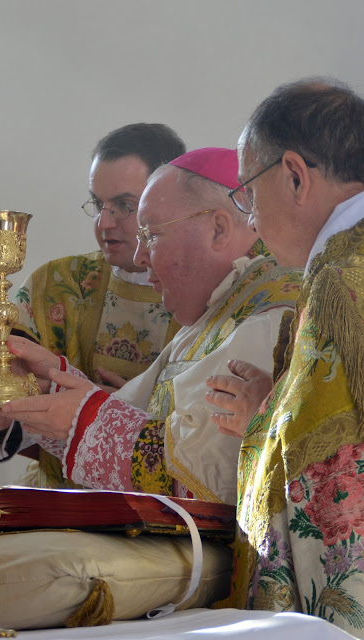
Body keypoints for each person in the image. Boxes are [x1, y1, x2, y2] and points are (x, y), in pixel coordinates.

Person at [0, 147, 301, 505]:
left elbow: (208, 478)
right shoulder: (221, 305)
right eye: (98, 204)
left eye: (150, 235)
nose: (139, 256)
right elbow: (142, 413)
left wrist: (82, 419)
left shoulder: (268, 319)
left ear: (218, 229)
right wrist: (51, 384)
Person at [207, 79, 364, 637]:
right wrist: (275, 407)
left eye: (248, 192)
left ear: (295, 175)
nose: (250, 219)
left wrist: (264, 421)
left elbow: (332, 468)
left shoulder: (341, 281)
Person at [0, 123, 186, 488]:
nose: (104, 222)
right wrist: (1, 412)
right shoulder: (56, 285)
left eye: (124, 206)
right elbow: (15, 406)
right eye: (98, 204)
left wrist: (120, 413)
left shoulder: (206, 289)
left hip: (166, 506)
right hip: (62, 497)